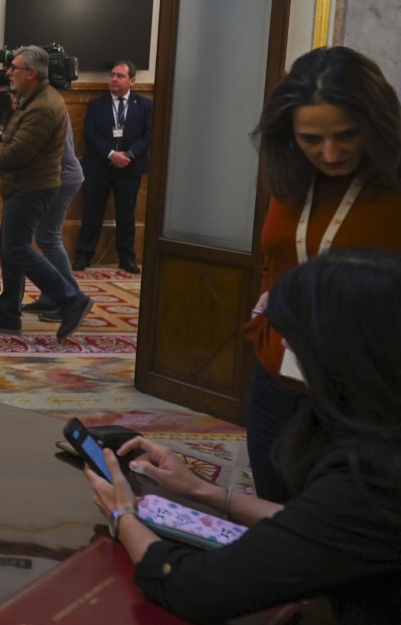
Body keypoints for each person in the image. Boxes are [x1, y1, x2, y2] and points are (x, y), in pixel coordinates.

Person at [84, 248, 401, 623]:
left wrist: (124, 516)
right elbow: (317, 525)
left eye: (296, 331)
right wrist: (206, 492)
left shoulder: (374, 476)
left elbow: (193, 588)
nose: (284, 343)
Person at [241, 45, 401, 502]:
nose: (329, 154)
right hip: (279, 379)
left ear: (377, 122)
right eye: (312, 139)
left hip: (365, 395)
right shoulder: (292, 172)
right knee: (276, 509)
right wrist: (262, 320)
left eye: (347, 135)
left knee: (342, 535)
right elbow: (280, 256)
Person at [0, 46, 93, 341]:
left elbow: (18, 153)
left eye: (14, 68)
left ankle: (71, 299)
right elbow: (15, 140)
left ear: (31, 73)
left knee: (17, 248)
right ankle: (8, 313)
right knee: (8, 248)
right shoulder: (33, 98)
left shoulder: (44, 106)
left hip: (33, 186)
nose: (8, 72)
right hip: (25, 185)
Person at [73, 61, 152, 273]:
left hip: (130, 167)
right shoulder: (96, 105)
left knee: (126, 214)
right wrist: (111, 154)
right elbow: (90, 134)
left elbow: (148, 136)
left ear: (132, 81)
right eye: (112, 75)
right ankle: (84, 255)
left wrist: (129, 155)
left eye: (120, 76)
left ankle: (127, 258)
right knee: (92, 212)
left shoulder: (145, 106)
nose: (114, 79)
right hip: (100, 165)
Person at [24, 113, 85, 322]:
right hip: (57, 177)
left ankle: (72, 298)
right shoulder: (45, 101)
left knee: (48, 236)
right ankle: (51, 295)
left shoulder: (45, 105)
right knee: (44, 236)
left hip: (62, 178)